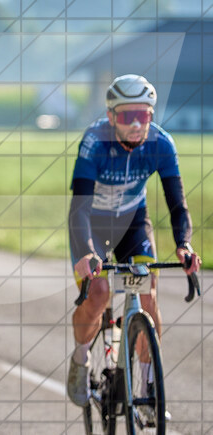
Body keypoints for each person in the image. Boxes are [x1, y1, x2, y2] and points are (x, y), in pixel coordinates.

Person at [66, 74, 201, 408]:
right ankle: (81, 360)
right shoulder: (95, 141)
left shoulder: (162, 144)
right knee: (98, 293)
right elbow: (78, 208)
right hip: (91, 225)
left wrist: (184, 244)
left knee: (149, 299)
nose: (138, 124)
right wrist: (86, 252)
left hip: (132, 225)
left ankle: (149, 386)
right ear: (111, 116)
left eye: (145, 115)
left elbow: (177, 205)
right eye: (128, 116)